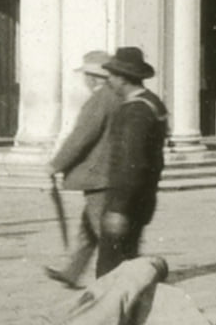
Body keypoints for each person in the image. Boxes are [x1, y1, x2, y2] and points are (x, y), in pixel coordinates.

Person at [45, 50, 118, 287]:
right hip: (107, 174)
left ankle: (123, 278)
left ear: (94, 77)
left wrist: (56, 164)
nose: (85, 80)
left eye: (87, 75)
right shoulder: (114, 96)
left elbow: (81, 137)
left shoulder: (100, 99)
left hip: (99, 176)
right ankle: (73, 272)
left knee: (104, 233)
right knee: (89, 228)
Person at [96, 47, 168, 277]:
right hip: (142, 198)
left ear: (122, 79)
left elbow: (131, 162)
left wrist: (118, 208)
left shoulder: (135, 111)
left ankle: (114, 313)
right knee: (126, 266)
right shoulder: (153, 103)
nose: (109, 82)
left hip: (126, 203)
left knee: (111, 273)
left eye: (112, 77)